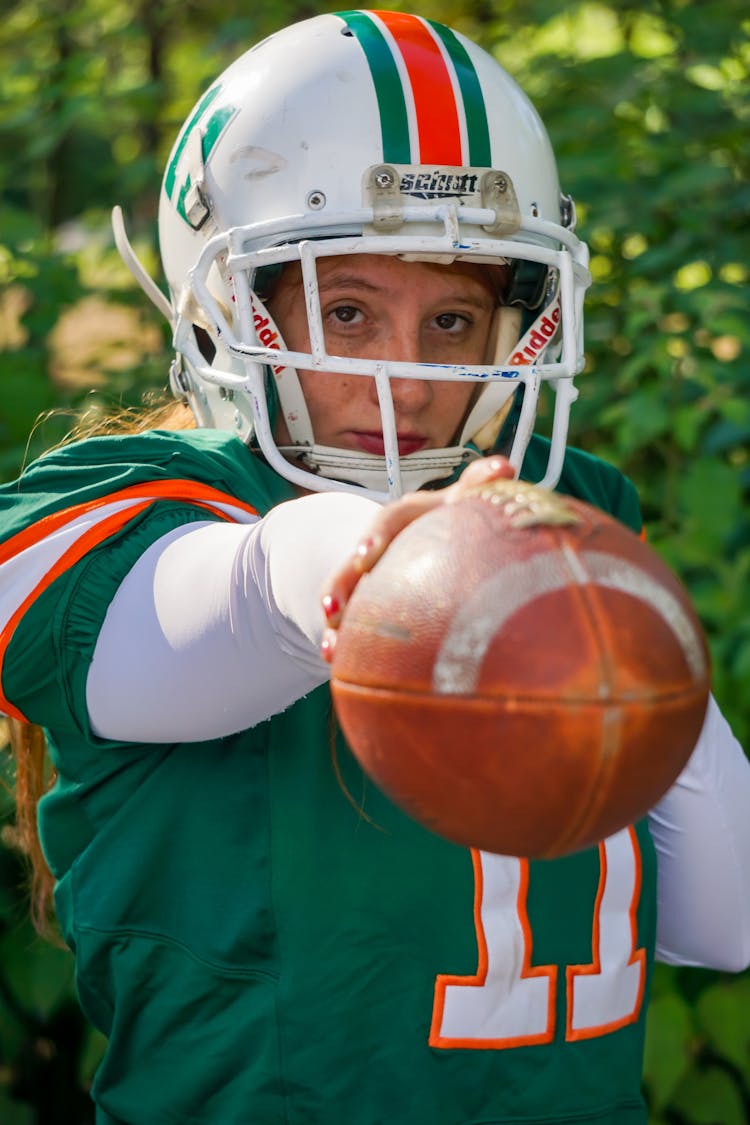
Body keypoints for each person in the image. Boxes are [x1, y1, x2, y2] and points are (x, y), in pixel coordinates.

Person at [2, 10, 749, 1124]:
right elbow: (243, 599)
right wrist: (403, 557)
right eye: (347, 311)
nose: (402, 378)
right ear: (223, 307)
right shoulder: (133, 503)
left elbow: (722, 911)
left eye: (452, 318)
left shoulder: (569, 506)